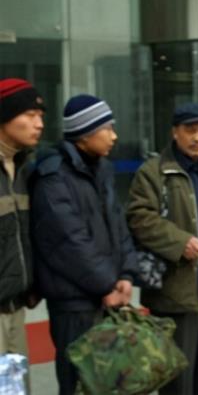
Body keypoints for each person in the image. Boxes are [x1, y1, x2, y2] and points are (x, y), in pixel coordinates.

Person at [126, 102, 198, 395]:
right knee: (178, 370)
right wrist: (178, 241)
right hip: (175, 285)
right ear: (175, 132)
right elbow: (139, 217)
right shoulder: (154, 171)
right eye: (190, 131)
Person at [30, 94, 139, 395]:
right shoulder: (53, 177)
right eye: (107, 128)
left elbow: (118, 224)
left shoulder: (102, 169)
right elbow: (68, 242)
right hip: (74, 305)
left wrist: (126, 275)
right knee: (79, 383)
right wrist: (106, 285)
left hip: (108, 296)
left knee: (111, 384)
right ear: (84, 133)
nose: (114, 136)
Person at [0, 78, 44, 381]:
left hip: (15, 307)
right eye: (30, 115)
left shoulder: (23, 170)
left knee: (14, 387)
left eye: (40, 116)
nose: (39, 124)